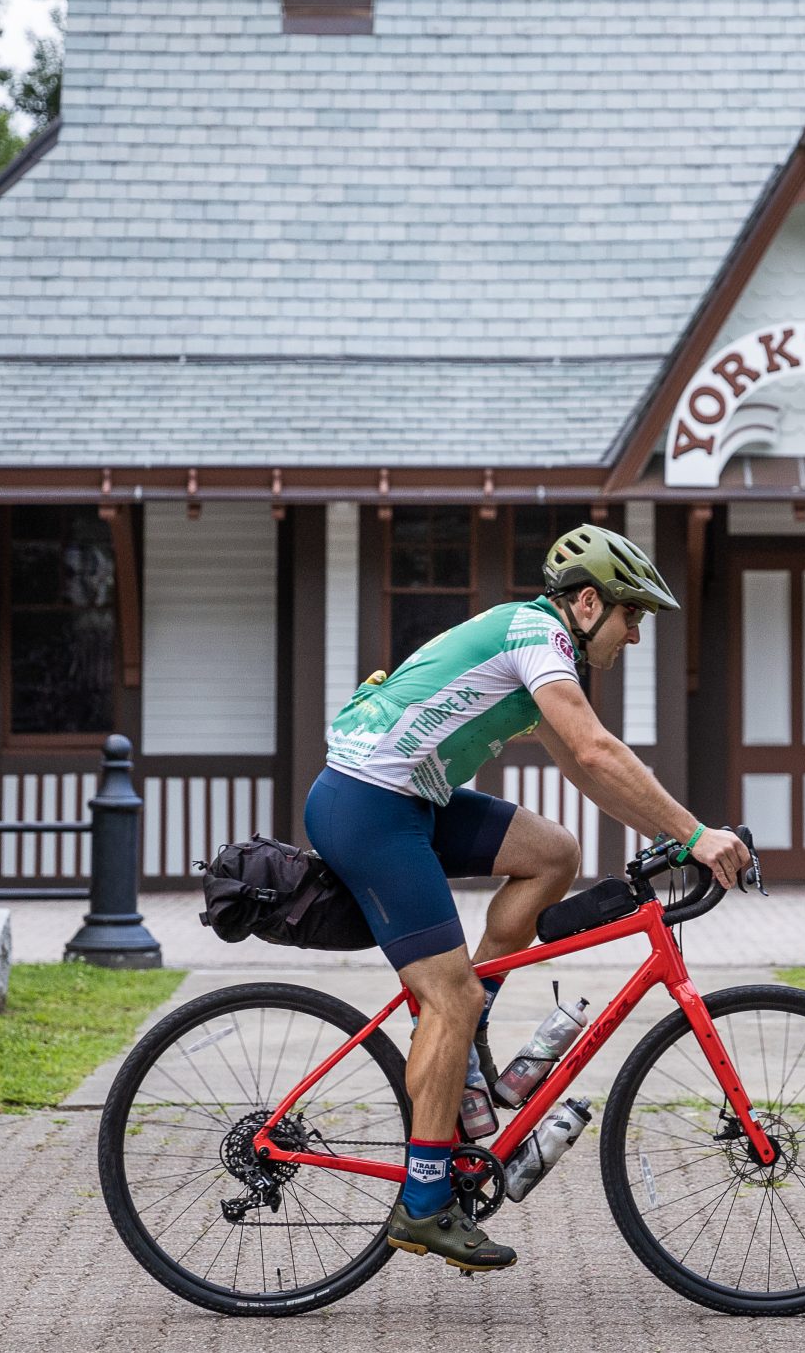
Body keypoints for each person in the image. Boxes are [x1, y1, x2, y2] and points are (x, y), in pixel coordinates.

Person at [303, 525, 751, 1273]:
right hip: (368, 804)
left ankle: (460, 1040)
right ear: (585, 602)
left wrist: (675, 834)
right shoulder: (535, 635)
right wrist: (697, 832)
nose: (635, 635)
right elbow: (597, 749)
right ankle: (422, 1203)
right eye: (630, 615)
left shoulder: (542, 651)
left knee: (554, 853)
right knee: (450, 1004)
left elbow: (591, 772)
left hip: (408, 797)